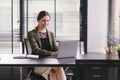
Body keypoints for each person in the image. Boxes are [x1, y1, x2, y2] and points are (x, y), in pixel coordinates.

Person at [27, 11, 66, 80]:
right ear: (38, 21)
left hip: (50, 62)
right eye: (43, 21)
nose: (46, 23)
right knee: (58, 67)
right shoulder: (31, 34)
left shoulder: (51, 34)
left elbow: (54, 47)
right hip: (38, 64)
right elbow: (36, 50)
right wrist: (51, 53)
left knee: (53, 73)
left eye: (48, 21)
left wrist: (61, 51)